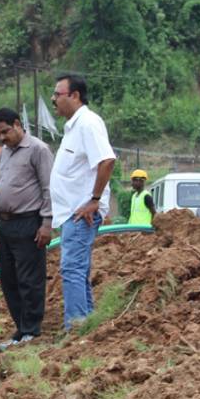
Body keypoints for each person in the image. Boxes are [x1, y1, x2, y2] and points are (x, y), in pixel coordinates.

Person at [50, 73, 116, 331]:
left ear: (74, 95)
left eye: (58, 94)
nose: (54, 99)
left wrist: (94, 201)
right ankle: (86, 326)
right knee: (77, 271)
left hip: (81, 213)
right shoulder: (73, 128)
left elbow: (107, 161)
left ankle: (76, 328)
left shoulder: (88, 123)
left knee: (72, 270)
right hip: (71, 214)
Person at [0, 108, 54, 350]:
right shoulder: (5, 152)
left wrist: (46, 223)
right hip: (6, 224)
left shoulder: (38, 150)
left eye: (5, 132)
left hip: (28, 222)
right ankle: (21, 328)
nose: (2, 138)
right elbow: (1, 187)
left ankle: (31, 331)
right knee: (9, 280)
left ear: (17, 124)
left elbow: (49, 188)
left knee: (29, 279)